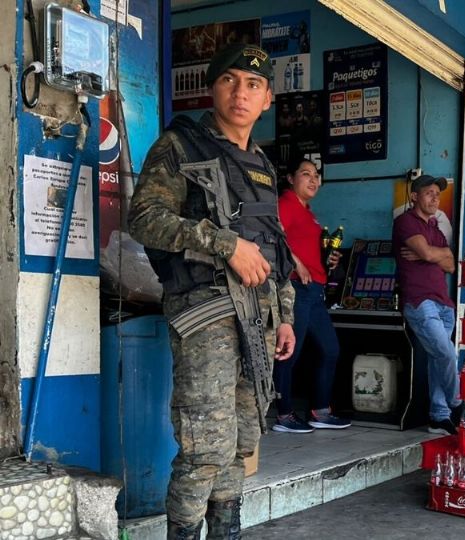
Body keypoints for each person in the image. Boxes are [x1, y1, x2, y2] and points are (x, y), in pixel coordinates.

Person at [128, 43, 295, 540]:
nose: (240, 93)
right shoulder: (181, 146)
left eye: (253, 84)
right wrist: (225, 244)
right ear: (212, 87)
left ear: (267, 99)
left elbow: (276, 252)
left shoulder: (261, 162)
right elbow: (144, 219)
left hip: (258, 321)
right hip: (207, 315)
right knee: (205, 448)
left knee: (240, 444)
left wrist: (284, 315)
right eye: (230, 80)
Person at [274, 157, 350, 433]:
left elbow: (306, 247)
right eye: (305, 173)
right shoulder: (286, 203)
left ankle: (320, 410)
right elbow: (272, 236)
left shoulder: (309, 213)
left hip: (315, 291)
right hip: (295, 289)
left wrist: (327, 259)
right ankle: (283, 415)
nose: (313, 179)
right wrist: (296, 262)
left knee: (330, 349)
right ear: (290, 179)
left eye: (316, 175)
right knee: (288, 353)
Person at [392, 175, 462, 436]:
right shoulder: (405, 222)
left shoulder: (435, 229)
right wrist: (433, 255)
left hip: (444, 303)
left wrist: (434, 254)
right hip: (420, 302)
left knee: (437, 357)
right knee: (446, 353)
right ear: (414, 197)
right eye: (429, 193)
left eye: (437, 194)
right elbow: (430, 254)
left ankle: (439, 416)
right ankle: (457, 402)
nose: (435, 198)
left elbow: (450, 263)